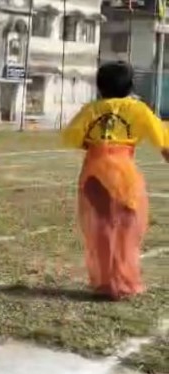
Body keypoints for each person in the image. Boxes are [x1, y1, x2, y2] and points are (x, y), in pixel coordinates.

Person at [61, 61, 169, 300]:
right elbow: (161, 137)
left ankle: (104, 282)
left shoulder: (91, 109)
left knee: (102, 228)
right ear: (130, 86)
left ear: (100, 87)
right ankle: (123, 282)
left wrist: (95, 143)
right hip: (122, 172)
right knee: (126, 227)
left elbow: (72, 136)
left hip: (93, 172)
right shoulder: (137, 108)